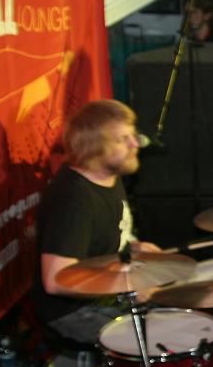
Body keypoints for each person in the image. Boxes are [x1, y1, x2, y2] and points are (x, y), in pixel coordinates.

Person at [36, 100, 162, 343]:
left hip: (105, 294)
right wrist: (129, 286)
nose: (136, 144)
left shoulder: (108, 175)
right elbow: (55, 281)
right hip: (73, 312)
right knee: (161, 340)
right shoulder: (74, 201)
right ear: (94, 147)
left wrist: (135, 246)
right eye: (122, 139)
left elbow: (106, 232)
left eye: (133, 135)